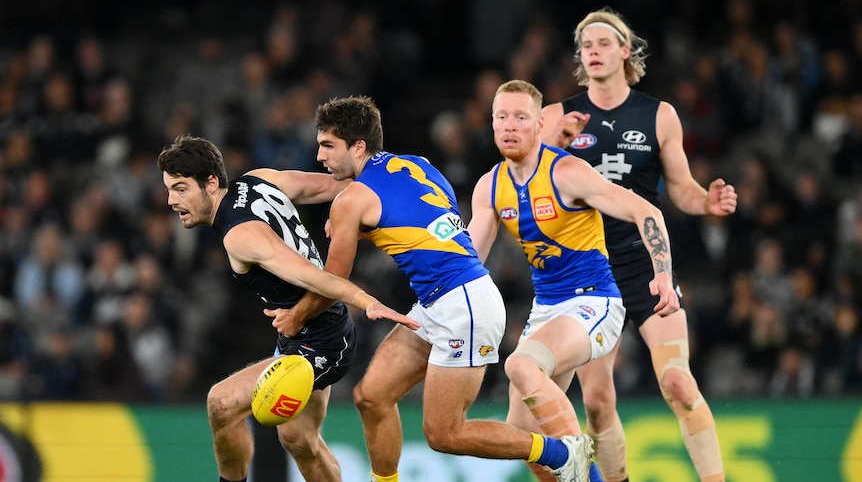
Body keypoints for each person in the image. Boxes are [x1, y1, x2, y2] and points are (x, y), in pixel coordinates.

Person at [278, 95, 592, 482]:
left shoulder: (351, 199)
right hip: (442, 300)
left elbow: (333, 281)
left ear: (358, 146)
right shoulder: (415, 164)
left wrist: (295, 317)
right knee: (371, 397)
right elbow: (426, 224)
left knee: (445, 434)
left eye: (328, 145)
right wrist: (364, 229)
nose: (320, 155)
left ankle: (561, 452)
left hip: (463, 306)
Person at [539, 8, 738, 482]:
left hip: (646, 265)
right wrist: (556, 147)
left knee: (677, 383)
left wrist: (706, 202)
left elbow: (682, 189)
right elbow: (526, 185)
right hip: (587, 273)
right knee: (597, 402)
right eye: (586, 45)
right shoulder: (555, 116)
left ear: (625, 52)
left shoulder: (658, 114)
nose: (594, 51)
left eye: (604, 43)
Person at [156, 134, 420, 482]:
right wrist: (393, 175)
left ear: (211, 183)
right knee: (298, 439)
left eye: (180, 189)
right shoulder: (259, 179)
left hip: (321, 342)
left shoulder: (240, 235)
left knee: (221, 404)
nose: (172, 200)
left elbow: (316, 278)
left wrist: (366, 301)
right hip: (307, 333)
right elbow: (330, 185)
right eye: (169, 189)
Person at [467, 79, 680, 482]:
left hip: (594, 302)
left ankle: (584, 465)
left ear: (538, 124)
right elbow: (468, 261)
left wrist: (664, 275)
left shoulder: (566, 172)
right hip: (547, 309)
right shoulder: (490, 186)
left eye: (520, 117)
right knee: (523, 436)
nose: (510, 126)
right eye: (501, 117)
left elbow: (647, 212)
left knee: (521, 366)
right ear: (491, 124)